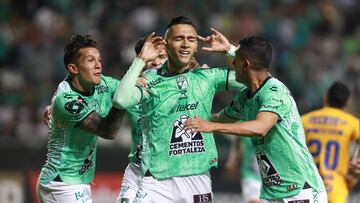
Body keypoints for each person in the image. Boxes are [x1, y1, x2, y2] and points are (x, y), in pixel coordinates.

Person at [112, 16, 244, 203]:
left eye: (191, 39)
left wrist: (230, 50)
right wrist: (141, 60)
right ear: (167, 44)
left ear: (196, 46)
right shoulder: (150, 80)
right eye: (178, 38)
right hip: (154, 178)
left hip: (197, 178)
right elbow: (120, 99)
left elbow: (258, 80)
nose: (185, 44)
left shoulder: (207, 77)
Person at [184, 35, 327, 202]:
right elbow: (219, 119)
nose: (232, 66)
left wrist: (210, 127)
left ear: (245, 64)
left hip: (302, 190)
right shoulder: (245, 97)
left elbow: (261, 127)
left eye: (235, 61)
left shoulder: (275, 92)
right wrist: (188, 117)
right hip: (272, 194)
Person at [301, 81, 360, 203]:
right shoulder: (352, 123)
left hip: (308, 187)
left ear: (325, 98)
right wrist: (357, 161)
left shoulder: (305, 120)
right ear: (347, 102)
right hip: (336, 189)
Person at [225, 137, 261, 203]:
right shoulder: (244, 130)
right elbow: (237, 144)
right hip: (250, 174)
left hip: (267, 176)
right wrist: (232, 161)